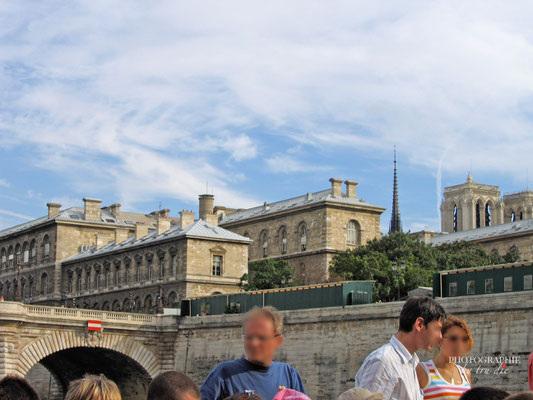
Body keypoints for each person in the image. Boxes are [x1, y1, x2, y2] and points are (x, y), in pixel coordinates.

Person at [200, 306, 306, 400]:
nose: (254, 343)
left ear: (277, 341)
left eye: (262, 338)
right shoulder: (223, 374)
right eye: (249, 337)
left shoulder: (289, 374)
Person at [355, 296, 447, 400]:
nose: (440, 336)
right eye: (437, 328)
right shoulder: (383, 362)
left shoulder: (413, 362)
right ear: (420, 324)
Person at [416, 315, 472, 399]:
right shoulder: (422, 370)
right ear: (440, 341)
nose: (459, 344)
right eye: (453, 338)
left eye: (464, 339)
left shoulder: (466, 374)